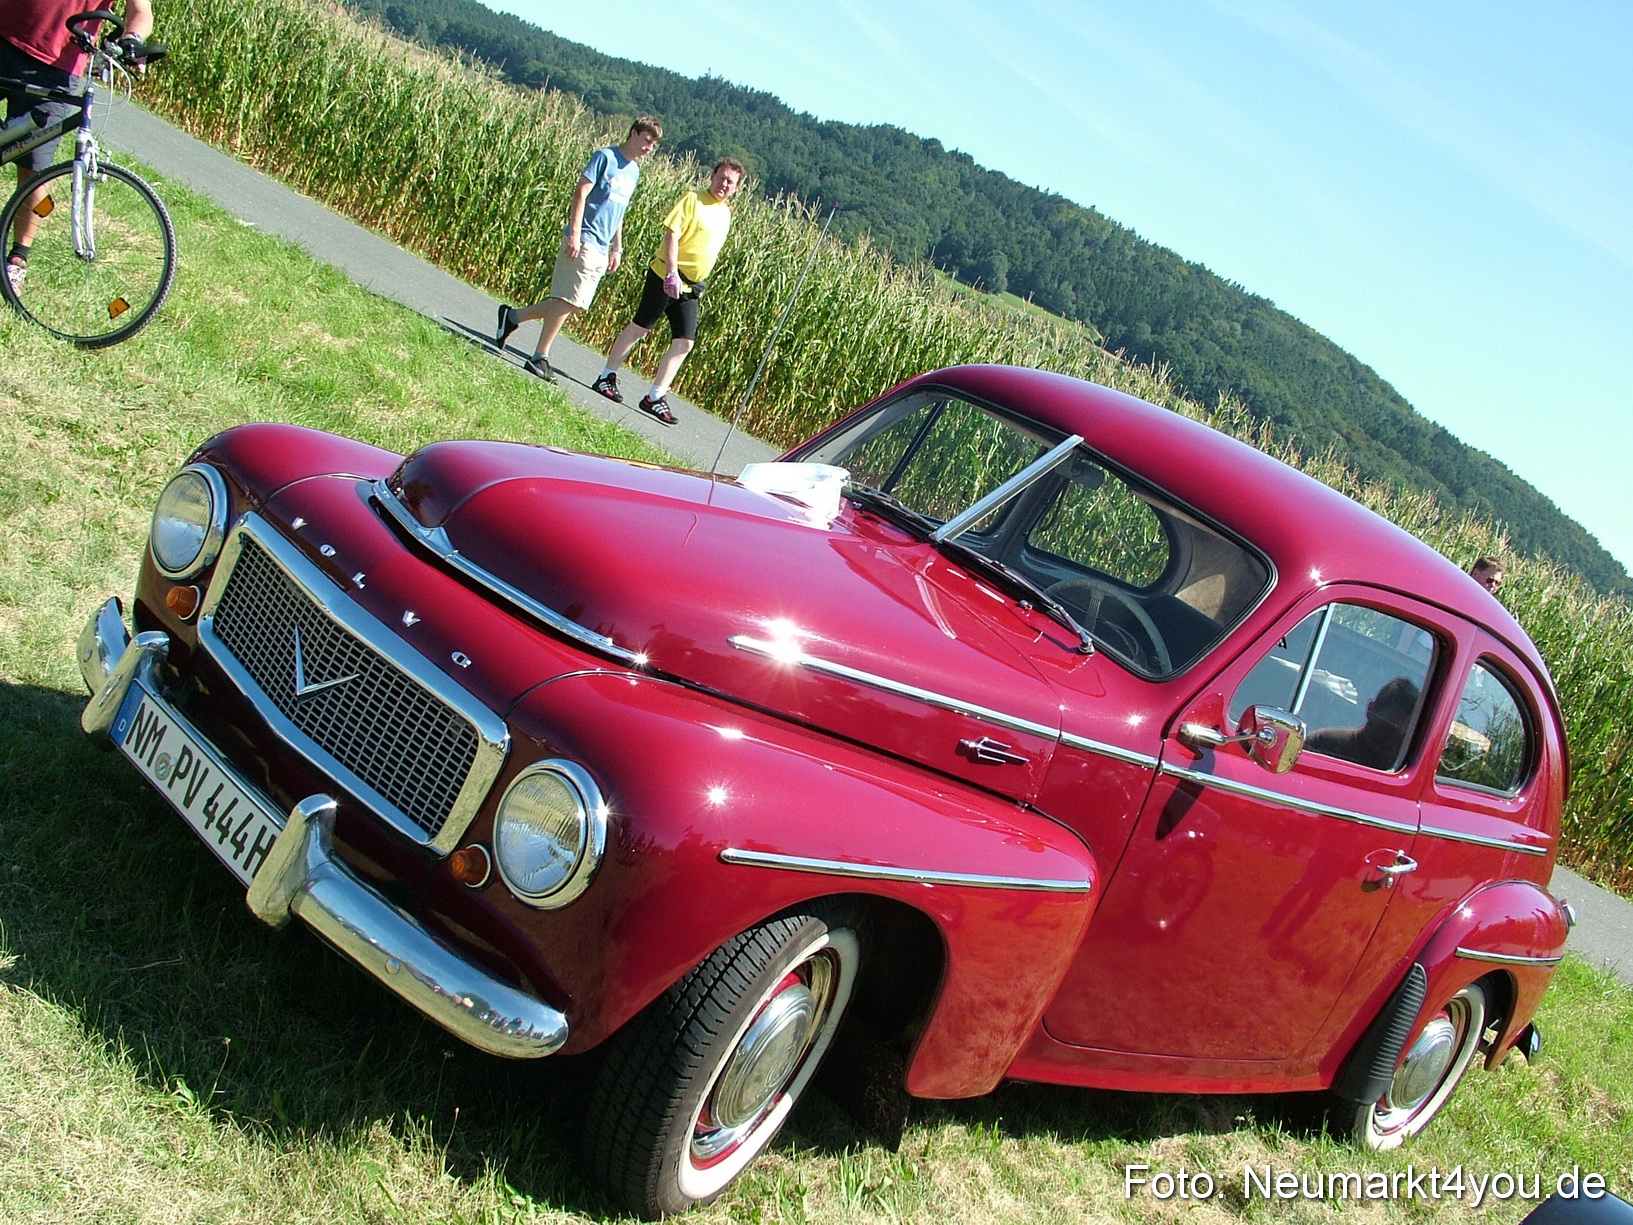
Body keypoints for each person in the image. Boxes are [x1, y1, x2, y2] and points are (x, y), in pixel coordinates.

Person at [494, 116, 662, 383]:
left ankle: (513, 317)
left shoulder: (634, 172)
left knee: (575, 303)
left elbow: (619, 212)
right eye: (647, 140)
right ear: (633, 134)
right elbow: (581, 192)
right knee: (569, 299)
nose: (649, 147)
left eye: (654, 144)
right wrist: (574, 232)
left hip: (602, 244)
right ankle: (540, 355)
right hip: (584, 237)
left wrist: (617, 247)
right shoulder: (605, 158)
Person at [3, 0, 154, 291]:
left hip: (59, 67)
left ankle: (17, 261)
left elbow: (140, 12)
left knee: (35, 172)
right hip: (4, 34)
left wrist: (132, 41)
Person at [591, 157, 745, 424]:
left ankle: (655, 396)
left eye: (730, 182)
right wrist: (672, 272)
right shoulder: (692, 199)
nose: (724, 184)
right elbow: (672, 233)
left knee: (685, 342)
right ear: (712, 176)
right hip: (666, 275)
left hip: (691, 287)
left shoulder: (725, 212)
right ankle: (606, 376)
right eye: (721, 177)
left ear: (737, 188)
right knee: (640, 327)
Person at [1306, 676, 1420, 771]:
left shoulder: (1408, 767)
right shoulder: (1322, 743)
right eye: (1388, 728)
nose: (1392, 740)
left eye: (1405, 734)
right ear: (1370, 710)